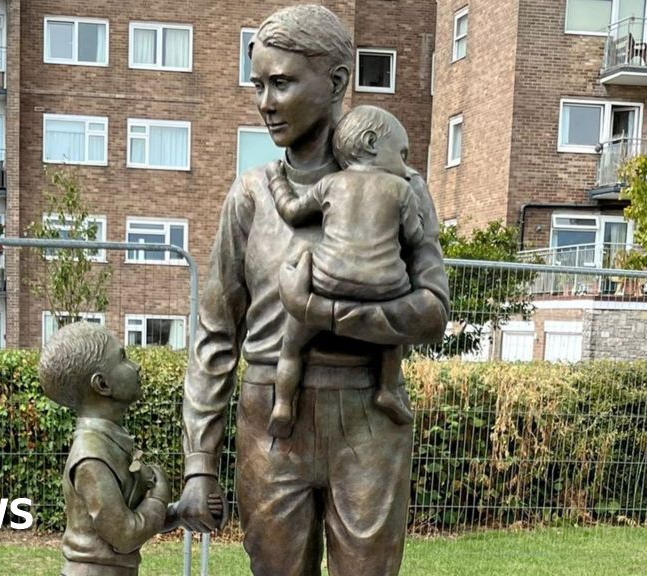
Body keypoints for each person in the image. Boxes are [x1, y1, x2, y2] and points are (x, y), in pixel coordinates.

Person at [178, 5, 450, 576]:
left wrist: (323, 312)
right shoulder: (250, 196)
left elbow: (432, 312)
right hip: (273, 426)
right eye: (259, 85)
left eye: (281, 83)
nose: (266, 103)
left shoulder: (402, 186)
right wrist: (200, 461)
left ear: (335, 82)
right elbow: (214, 335)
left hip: (369, 422)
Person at [266, 105, 419, 437]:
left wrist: (277, 179)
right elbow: (415, 237)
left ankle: (282, 404)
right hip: (383, 287)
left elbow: (292, 212)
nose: (405, 166)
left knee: (291, 347)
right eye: (402, 154)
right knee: (392, 336)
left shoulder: (330, 185)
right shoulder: (402, 189)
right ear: (370, 142)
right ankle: (388, 389)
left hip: (327, 281)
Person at [40, 322, 220, 576]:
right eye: (122, 358)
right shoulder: (91, 457)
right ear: (102, 384)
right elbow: (125, 534)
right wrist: (159, 495)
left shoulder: (109, 443)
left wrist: (178, 513)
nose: (136, 366)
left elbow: (133, 516)